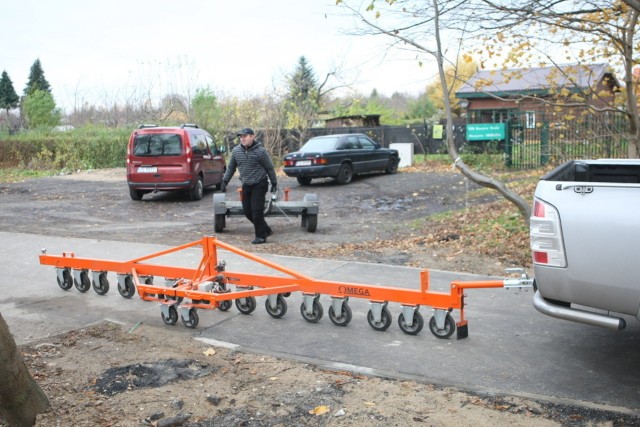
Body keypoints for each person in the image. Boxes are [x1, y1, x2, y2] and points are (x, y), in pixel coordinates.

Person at [221, 128, 278, 244]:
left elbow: (269, 168)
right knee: (248, 212)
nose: (242, 138)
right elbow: (231, 167)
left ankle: (261, 236)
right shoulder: (236, 151)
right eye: (241, 137)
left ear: (252, 136)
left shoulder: (261, 151)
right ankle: (266, 229)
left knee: (257, 211)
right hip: (246, 184)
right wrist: (225, 181)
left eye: (245, 136)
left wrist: (274, 183)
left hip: (260, 183)